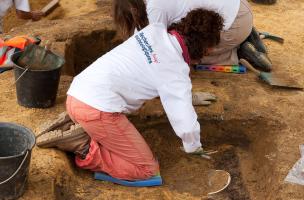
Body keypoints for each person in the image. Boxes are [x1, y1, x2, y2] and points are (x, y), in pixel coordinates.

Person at [37, 8, 224, 181]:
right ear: (201, 45)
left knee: (107, 116)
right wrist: (194, 146)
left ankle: (75, 122)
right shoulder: (175, 71)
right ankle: (84, 146)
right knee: (147, 171)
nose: (211, 52)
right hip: (97, 110)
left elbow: (150, 69)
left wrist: (186, 96)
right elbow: (185, 124)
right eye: (210, 48)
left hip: (77, 94)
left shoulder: (154, 30)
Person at [113, 0, 272, 71]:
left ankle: (238, 50)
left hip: (232, 26)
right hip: (238, 7)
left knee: (184, 51)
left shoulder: (155, 8)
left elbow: (158, 48)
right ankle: (246, 33)